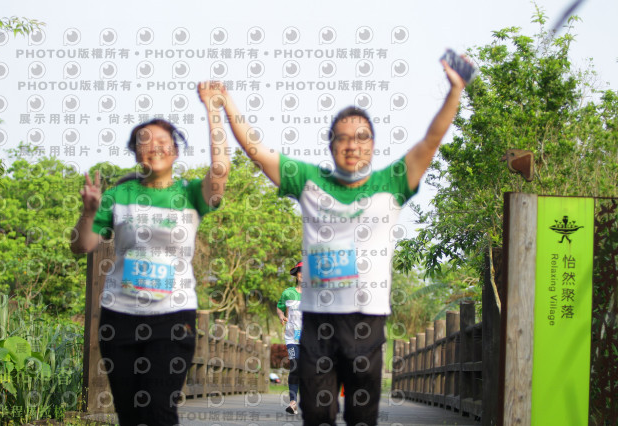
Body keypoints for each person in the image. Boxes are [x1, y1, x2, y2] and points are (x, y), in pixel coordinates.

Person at [217, 56, 467, 426]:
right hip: (317, 322)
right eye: (343, 138)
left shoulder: (393, 182)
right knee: (317, 414)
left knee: (361, 417)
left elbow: (431, 140)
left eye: (361, 137)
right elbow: (256, 150)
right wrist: (225, 101)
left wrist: (455, 91)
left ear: (373, 145)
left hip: (367, 322)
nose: (352, 145)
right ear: (331, 144)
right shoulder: (308, 180)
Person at [70, 82, 230, 426]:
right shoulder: (118, 195)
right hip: (119, 316)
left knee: (158, 410)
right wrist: (89, 211)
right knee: (129, 415)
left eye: (162, 141)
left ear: (175, 151)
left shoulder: (191, 194)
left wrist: (212, 108)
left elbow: (220, 170)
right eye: (144, 142)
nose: (153, 146)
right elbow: (82, 246)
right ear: (136, 153)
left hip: (173, 316)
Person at [276, 261, 303, 415]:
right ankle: (293, 402)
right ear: (296, 274)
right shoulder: (288, 293)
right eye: (300, 271)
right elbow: (280, 308)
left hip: (310, 338)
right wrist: (281, 316)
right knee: (295, 366)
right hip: (292, 338)